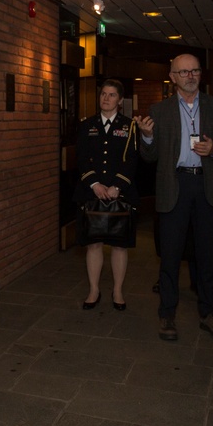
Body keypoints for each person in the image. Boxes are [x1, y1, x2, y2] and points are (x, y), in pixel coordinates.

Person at [137, 54, 213, 342]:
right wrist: (146, 137)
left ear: (200, 74)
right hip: (175, 186)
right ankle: (167, 314)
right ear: (173, 76)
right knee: (170, 255)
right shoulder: (159, 110)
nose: (189, 76)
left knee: (207, 254)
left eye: (194, 71)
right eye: (183, 72)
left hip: (207, 186)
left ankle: (209, 313)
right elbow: (150, 157)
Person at [74, 79, 139, 311]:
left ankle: (118, 290)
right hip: (92, 193)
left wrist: (117, 187)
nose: (106, 98)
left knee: (119, 245)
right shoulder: (86, 125)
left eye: (112, 95)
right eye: (103, 94)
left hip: (119, 194)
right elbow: (81, 157)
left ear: (120, 100)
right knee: (94, 244)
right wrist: (94, 184)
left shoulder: (129, 126)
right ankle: (94, 289)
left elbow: (132, 160)